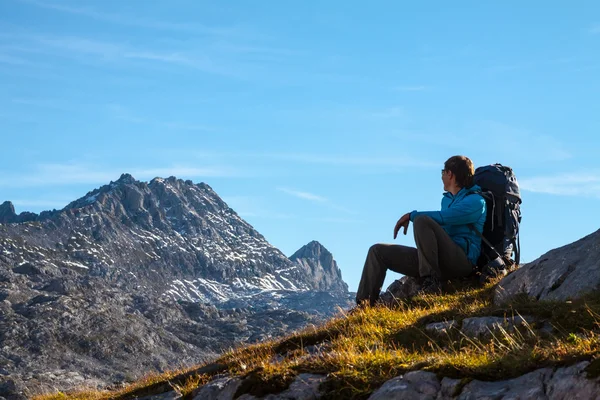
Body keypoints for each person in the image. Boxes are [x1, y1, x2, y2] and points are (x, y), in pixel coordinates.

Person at [355, 155, 486, 306]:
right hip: (438, 262)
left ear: (449, 174)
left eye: (443, 172)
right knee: (377, 251)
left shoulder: (476, 201)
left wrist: (412, 216)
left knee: (421, 220)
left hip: (462, 263)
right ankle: (364, 304)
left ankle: (430, 284)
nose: (442, 177)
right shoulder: (447, 200)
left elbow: (447, 217)